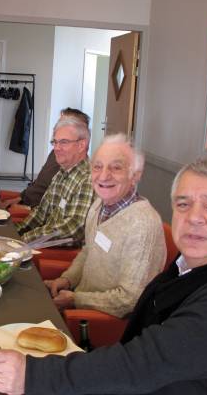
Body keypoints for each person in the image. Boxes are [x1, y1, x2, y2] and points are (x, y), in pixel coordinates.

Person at [0, 157, 207, 395]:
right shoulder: (199, 264)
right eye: (184, 204)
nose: (194, 217)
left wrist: (33, 376)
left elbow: (141, 365)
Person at [44, 134, 165, 315]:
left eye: (116, 168)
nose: (103, 176)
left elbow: (129, 300)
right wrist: (67, 280)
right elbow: (88, 251)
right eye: (97, 167)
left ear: (135, 175)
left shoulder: (142, 225)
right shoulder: (98, 204)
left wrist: (76, 300)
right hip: (77, 302)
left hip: (99, 323)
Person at [15, 116, 94, 245]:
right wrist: (15, 233)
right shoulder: (61, 173)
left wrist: (23, 240)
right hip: (39, 243)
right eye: (55, 142)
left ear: (81, 145)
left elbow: (73, 228)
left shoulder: (87, 179)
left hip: (59, 253)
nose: (56, 148)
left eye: (63, 142)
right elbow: (41, 213)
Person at [1, 108, 91, 214]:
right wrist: (19, 198)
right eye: (55, 142)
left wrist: (25, 207)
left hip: (31, 207)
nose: (59, 126)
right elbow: (40, 184)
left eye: (64, 142)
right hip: (29, 204)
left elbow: (57, 222)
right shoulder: (59, 161)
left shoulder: (84, 178)